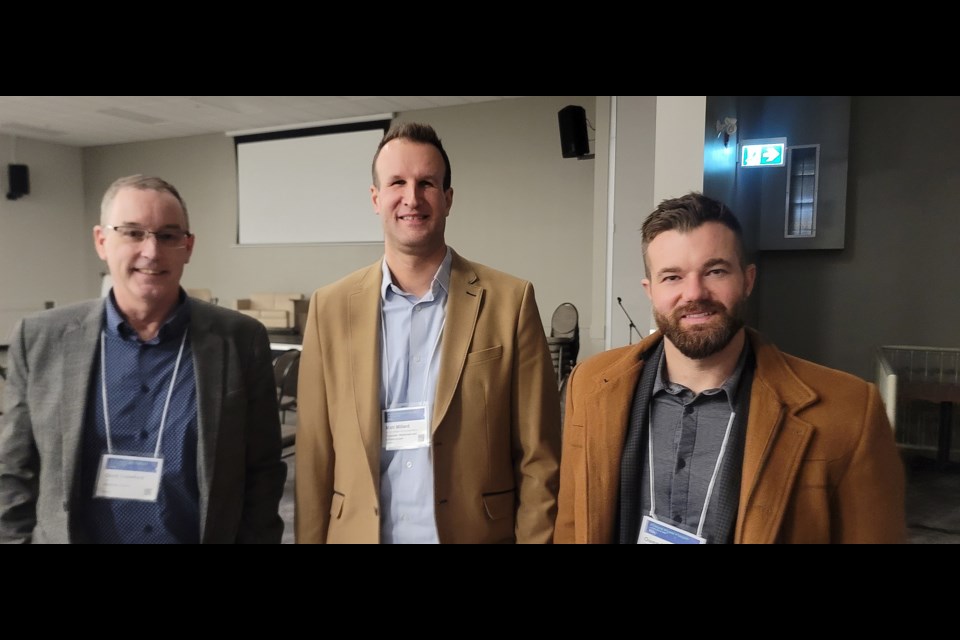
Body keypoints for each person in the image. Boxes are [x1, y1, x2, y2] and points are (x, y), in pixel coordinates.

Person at [555, 192, 905, 544]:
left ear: (748, 280)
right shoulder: (589, 384)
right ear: (650, 290)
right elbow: (572, 523)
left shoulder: (848, 411)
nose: (694, 293)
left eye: (715, 271)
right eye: (672, 277)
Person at [296, 122, 561, 543]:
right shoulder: (330, 307)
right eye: (397, 182)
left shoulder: (510, 301)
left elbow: (539, 456)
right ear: (375, 198)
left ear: (448, 198)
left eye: (427, 183)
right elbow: (312, 456)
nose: (412, 198)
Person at [0, 175, 286, 543]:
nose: (151, 251)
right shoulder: (41, 338)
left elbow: (262, 471)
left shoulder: (239, 339)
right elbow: (14, 472)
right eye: (132, 233)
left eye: (168, 235)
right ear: (101, 241)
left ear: (188, 246)